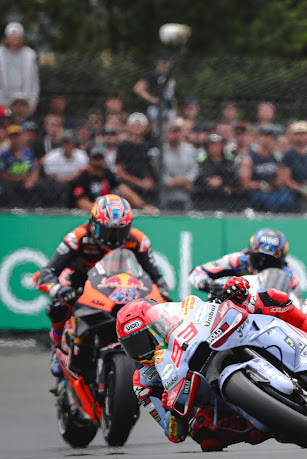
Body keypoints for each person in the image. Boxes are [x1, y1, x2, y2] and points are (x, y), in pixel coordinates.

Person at [117, 280, 307, 451]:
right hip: (211, 402)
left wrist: (230, 292)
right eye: (134, 346)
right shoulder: (144, 382)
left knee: (271, 299)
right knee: (203, 434)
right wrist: (175, 415)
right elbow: (173, 434)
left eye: (144, 339)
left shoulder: (182, 313)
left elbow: (206, 309)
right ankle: (271, 425)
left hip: (213, 346)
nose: (143, 350)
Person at [35, 194, 169, 377]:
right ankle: (57, 347)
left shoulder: (139, 240)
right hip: (81, 281)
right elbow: (45, 274)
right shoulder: (77, 237)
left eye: (120, 232)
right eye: (107, 231)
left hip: (120, 284)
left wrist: (163, 294)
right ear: (93, 224)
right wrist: (59, 289)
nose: (113, 239)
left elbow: (157, 277)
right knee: (59, 305)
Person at [188, 228, 296, 295]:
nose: (263, 264)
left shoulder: (289, 276)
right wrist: (208, 285)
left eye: (270, 262)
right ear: (250, 253)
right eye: (259, 258)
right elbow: (197, 272)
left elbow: (297, 306)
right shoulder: (237, 260)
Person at [69, 145, 152, 211]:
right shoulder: (83, 177)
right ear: (90, 160)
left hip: (105, 211)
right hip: (87, 213)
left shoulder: (107, 173)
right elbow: (81, 202)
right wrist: (101, 210)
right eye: (95, 158)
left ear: (104, 159)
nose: (98, 161)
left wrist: (142, 206)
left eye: (100, 158)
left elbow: (123, 188)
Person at [238, 125, 296, 213]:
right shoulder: (249, 158)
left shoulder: (277, 157)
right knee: (270, 200)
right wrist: (262, 185)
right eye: (264, 136)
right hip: (258, 190)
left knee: (288, 196)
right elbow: (245, 182)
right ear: (258, 138)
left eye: (270, 137)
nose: (267, 139)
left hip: (274, 190)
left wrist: (276, 183)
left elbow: (282, 178)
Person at [281, 121, 307, 210]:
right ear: (293, 136)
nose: (300, 137)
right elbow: (286, 180)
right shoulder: (288, 155)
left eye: (303, 134)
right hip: (294, 189)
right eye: (297, 134)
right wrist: (303, 189)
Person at [0, 22, 39, 112]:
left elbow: (34, 80)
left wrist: (33, 101)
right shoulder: (1, 54)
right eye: (12, 36)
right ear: (7, 38)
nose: (14, 39)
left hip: (25, 99)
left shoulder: (30, 54)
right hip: (4, 98)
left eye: (17, 37)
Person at [160, 124, 198, 210]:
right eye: (173, 132)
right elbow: (160, 173)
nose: (176, 135)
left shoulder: (189, 149)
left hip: (185, 194)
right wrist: (169, 182)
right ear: (167, 134)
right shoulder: (160, 151)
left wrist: (186, 180)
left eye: (179, 132)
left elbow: (194, 169)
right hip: (166, 194)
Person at [195, 134, 237, 211]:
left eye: (218, 144)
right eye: (212, 144)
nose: (215, 147)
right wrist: (208, 181)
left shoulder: (230, 160)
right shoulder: (201, 160)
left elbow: (234, 178)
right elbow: (198, 178)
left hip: (227, 199)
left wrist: (222, 182)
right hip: (205, 198)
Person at [0, 123, 37, 207]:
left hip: (26, 181)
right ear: (8, 138)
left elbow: (34, 169)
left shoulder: (28, 152)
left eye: (17, 136)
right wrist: (19, 178)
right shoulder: (3, 155)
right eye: (12, 137)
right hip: (10, 182)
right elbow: (3, 175)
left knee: (39, 186)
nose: (15, 139)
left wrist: (31, 180)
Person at [133, 51, 177, 122]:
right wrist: (152, 99)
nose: (166, 65)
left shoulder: (170, 77)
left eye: (168, 62)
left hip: (169, 109)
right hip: (156, 109)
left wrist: (177, 112)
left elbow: (171, 96)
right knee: (156, 130)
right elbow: (138, 88)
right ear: (157, 62)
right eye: (164, 62)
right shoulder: (153, 75)